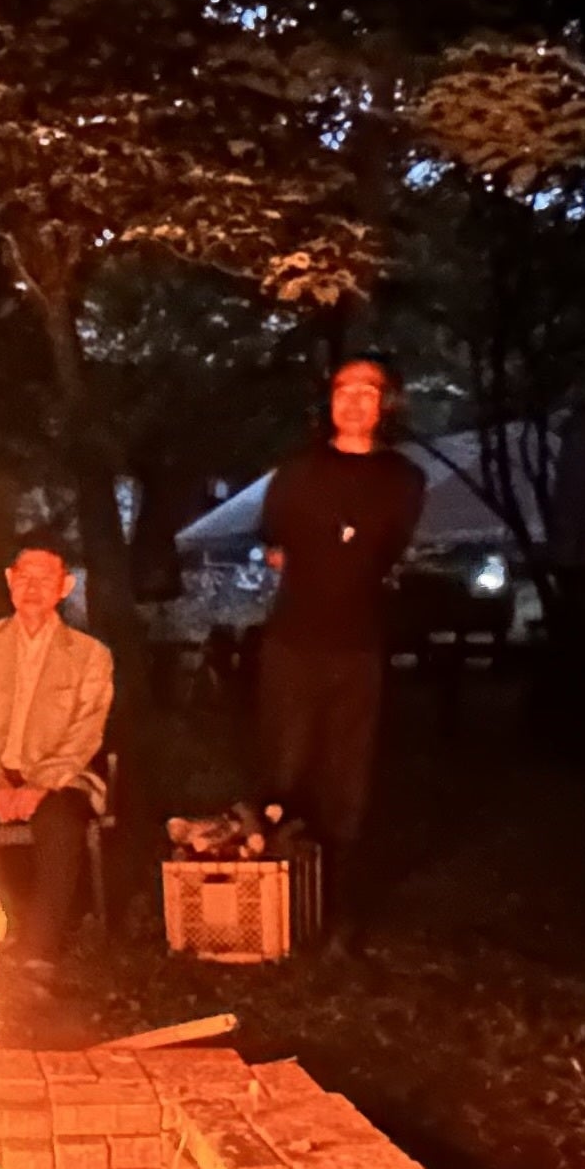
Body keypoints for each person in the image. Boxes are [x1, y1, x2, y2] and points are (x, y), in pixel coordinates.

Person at [254, 356, 428, 883]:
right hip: (293, 641)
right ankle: (274, 879)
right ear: (328, 401)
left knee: (348, 773)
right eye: (342, 391)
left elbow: (388, 550)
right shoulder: (297, 471)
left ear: (386, 404)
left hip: (360, 645)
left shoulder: (404, 479)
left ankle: (338, 887)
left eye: (367, 392)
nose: (353, 402)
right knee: (283, 764)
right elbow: (275, 544)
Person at [0, 541, 115, 957]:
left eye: (45, 579)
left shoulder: (90, 655)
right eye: (25, 577)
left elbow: (87, 731)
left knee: (61, 823)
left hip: (63, 776)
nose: (33, 588)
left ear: (65, 587)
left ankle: (39, 950)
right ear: (9, 580)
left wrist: (39, 785)